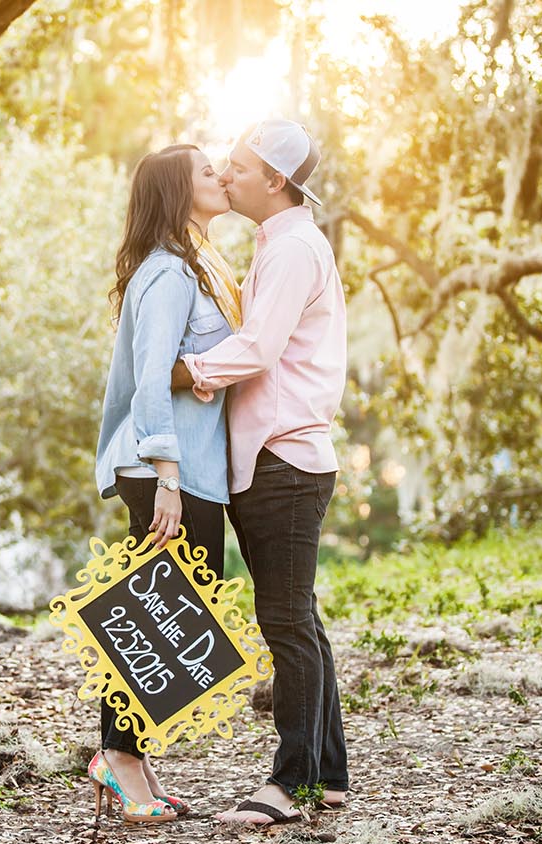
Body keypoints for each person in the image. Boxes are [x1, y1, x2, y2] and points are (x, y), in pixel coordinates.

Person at [172, 119, 350, 826]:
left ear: (275, 180)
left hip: (285, 461)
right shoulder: (278, 244)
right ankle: (326, 776)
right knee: (298, 618)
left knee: (284, 623)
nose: (226, 175)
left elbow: (258, 349)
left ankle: (289, 786)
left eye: (239, 167)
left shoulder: (294, 249)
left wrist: (182, 373)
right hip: (273, 460)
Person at [90, 143, 241, 823]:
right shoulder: (170, 274)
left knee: (168, 625)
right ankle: (119, 760)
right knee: (154, 626)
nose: (223, 177)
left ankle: (130, 758)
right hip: (165, 472)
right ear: (180, 193)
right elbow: (151, 380)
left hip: (187, 469)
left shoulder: (195, 266)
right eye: (208, 171)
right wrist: (169, 479)